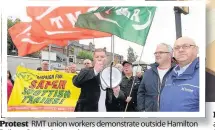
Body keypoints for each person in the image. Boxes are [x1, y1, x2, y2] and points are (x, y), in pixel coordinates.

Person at [160, 37, 199, 112]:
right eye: (177, 47)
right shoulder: (170, 75)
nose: (180, 50)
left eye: (186, 46)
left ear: (196, 50)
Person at [137, 43, 175, 112]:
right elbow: (141, 93)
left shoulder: (177, 72)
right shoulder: (148, 73)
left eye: (161, 52)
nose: (157, 55)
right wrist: (142, 110)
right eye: (156, 53)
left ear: (170, 54)